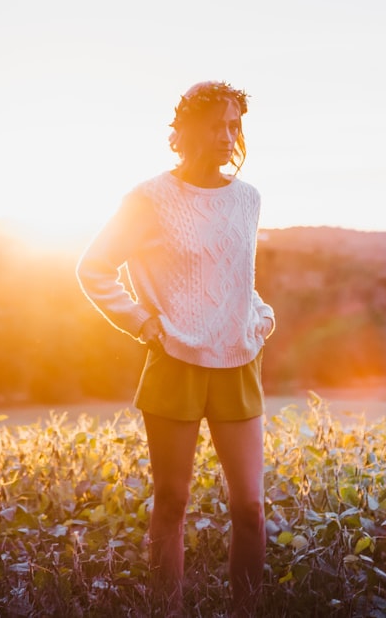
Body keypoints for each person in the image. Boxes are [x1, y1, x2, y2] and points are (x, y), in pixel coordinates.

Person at [76, 80, 275, 616]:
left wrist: (257, 315)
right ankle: (167, 611)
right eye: (216, 124)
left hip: (237, 363)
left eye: (235, 125)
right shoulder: (149, 199)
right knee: (172, 503)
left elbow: (235, 276)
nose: (227, 135)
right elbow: (93, 268)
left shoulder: (248, 198)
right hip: (174, 363)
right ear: (184, 131)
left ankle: (246, 612)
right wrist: (143, 322)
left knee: (251, 508)